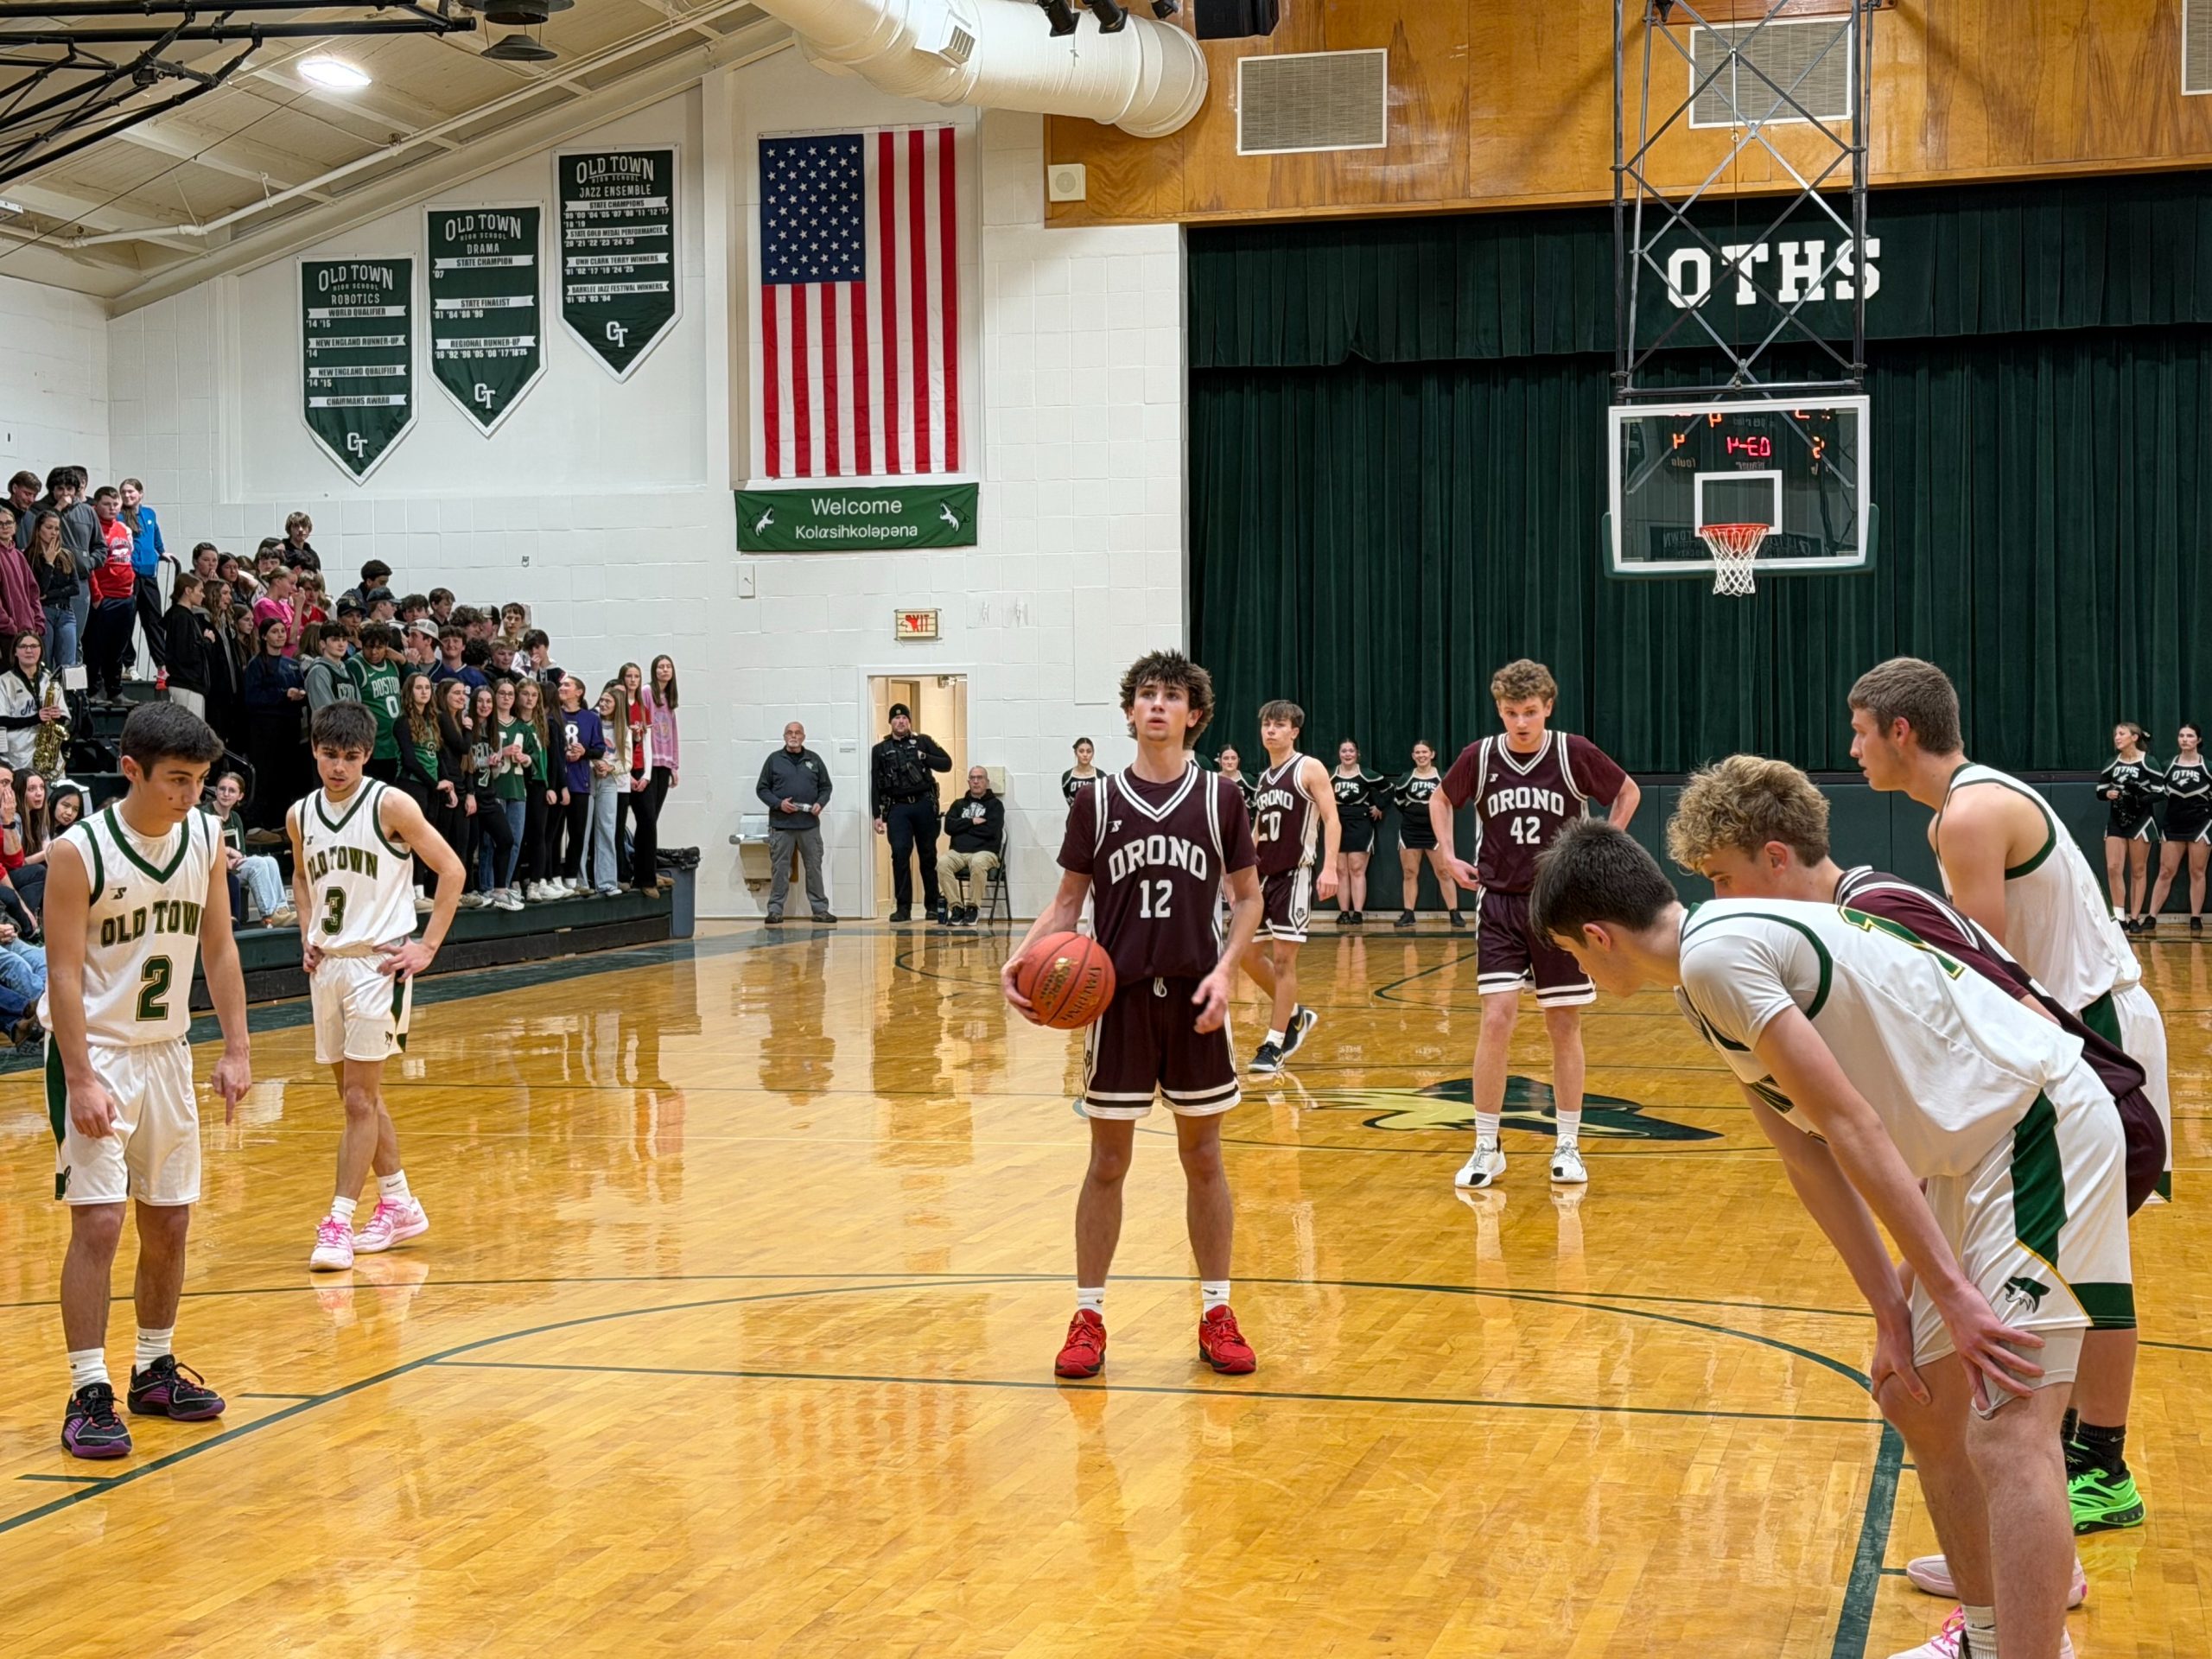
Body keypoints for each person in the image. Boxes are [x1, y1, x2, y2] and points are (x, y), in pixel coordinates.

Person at [1532, 817, 2126, 1659]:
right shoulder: (1703, 978)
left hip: (2036, 1124)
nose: (1580, 971)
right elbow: (1808, 1156)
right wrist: (1892, 1314)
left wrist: (1952, 1295)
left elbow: (1850, 1123)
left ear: (1597, 935)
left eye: (1574, 953)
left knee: (2007, 1418)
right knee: (1915, 1397)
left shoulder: (1716, 955)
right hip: (1967, 1153)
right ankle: (1990, 1641)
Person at [1850, 654, 2168, 1547]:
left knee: (2090, 1259)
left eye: (1860, 731)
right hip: (2077, 1030)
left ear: (1899, 730)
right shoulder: (1971, 805)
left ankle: (2098, 1467)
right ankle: (2082, 1451)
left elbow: (1975, 975)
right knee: (2074, 1253)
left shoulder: (1970, 814)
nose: (1853, 748)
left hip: (2091, 1032)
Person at [1001, 649, 1264, 1382]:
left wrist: (1224, 970)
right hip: (1115, 1004)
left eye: (1171, 696)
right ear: (1129, 712)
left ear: (1194, 715)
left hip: (1193, 1000)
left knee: (1204, 1158)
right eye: (1146, 695)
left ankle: (1217, 1311)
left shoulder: (1220, 799)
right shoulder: (1098, 799)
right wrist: (1018, 957)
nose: (1156, 706)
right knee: (1107, 1162)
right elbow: (1067, 901)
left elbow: (1248, 900)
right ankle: (1088, 1316)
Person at [46, 702, 251, 1459]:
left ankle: (154, 1368)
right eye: (176, 780)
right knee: (99, 1222)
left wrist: (236, 1047)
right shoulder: (79, 851)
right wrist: (80, 1077)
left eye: (200, 780)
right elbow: (63, 974)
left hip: (168, 1052)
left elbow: (221, 947)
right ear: (130, 769)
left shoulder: (204, 833)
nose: (191, 794)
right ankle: (88, 1389)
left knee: (169, 1220)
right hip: (95, 1052)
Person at [1437, 659, 1640, 1191]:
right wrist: (1448, 854)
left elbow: (1628, 792)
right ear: (1499, 710)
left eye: (1530, 712)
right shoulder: (1480, 757)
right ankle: (1487, 1144)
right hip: (1500, 903)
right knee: (1496, 1018)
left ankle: (1568, 1144)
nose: (1521, 722)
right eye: (1510, 713)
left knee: (1563, 1025)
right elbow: (1441, 798)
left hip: (1558, 906)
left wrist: (1602, 844)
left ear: (1548, 707)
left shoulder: (1572, 752)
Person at [292, 702, 462, 1271]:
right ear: (315, 749)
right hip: (330, 965)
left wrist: (428, 946)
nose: (338, 767)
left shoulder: (390, 803)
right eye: (329, 754)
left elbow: (452, 869)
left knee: (360, 1098)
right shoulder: (301, 814)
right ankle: (400, 1204)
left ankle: (338, 1220)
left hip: (379, 967)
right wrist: (307, 933)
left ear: (367, 756)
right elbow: (300, 874)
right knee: (355, 1099)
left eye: (350, 757)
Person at [1239, 700, 1339, 1075]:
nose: (1270, 730)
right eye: (1266, 724)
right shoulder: (1264, 778)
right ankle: (1295, 1015)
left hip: (1295, 875)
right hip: (1263, 877)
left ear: (1294, 731)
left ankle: (1274, 1044)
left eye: (1279, 725)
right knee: (1248, 955)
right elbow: (1258, 831)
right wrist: (1242, 875)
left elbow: (1332, 818)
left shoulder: (1308, 767)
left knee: (1283, 960)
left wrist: (1330, 867)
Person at [870, 702, 953, 924]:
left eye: (905, 718)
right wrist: (876, 815)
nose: (901, 721)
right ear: (890, 722)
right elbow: (875, 784)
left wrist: (924, 757)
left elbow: (947, 764)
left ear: (909, 721)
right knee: (899, 854)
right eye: (897, 718)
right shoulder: (879, 750)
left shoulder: (923, 741)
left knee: (928, 855)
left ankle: (933, 905)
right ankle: (903, 907)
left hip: (924, 805)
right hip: (898, 808)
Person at [758, 721, 836, 925]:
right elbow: (762, 789)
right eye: (789, 733)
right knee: (780, 870)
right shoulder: (774, 760)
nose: (793, 736)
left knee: (814, 868)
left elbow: (826, 787)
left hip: (809, 825)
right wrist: (778, 804)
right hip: (782, 826)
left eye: (797, 732)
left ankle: (820, 910)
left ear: (804, 736)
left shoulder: (814, 760)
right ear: (784, 737)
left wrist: (820, 803)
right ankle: (775, 911)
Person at [2145, 721, 2209, 932]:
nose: (2185, 739)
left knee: (2197, 871)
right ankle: (2152, 916)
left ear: (2198, 740)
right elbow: (2156, 790)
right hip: (2173, 823)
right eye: (2182, 735)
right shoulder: (2167, 765)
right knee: (2165, 871)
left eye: (2190, 736)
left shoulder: (2207, 766)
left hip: (2200, 824)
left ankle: (2196, 917)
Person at [2096, 723, 2162, 931]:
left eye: (2122, 734)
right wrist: (2108, 794)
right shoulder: (2111, 762)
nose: (2117, 737)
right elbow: (2100, 789)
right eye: (2115, 734)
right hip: (2117, 820)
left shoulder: (2148, 761)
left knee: (2138, 870)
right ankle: (2119, 916)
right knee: (2113, 867)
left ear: (2134, 737)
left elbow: (2160, 792)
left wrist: (2138, 798)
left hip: (2141, 821)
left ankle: (2135, 917)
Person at [1389, 741, 1461, 929]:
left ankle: (1454, 913)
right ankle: (1408, 914)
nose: (1421, 755)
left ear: (1432, 754)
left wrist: (1445, 831)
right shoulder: (1406, 778)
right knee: (1409, 872)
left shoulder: (1443, 778)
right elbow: (1399, 803)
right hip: (1411, 830)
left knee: (1444, 872)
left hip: (1435, 831)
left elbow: (1450, 803)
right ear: (1413, 756)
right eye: (1417, 753)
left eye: (1425, 752)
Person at [242, 620, 306, 830]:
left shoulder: (292, 665)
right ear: (263, 636)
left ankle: (280, 822)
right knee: (264, 776)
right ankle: (257, 824)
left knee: (285, 776)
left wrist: (301, 695)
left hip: (289, 727)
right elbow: (252, 697)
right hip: (264, 729)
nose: (279, 635)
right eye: (274, 632)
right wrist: (283, 695)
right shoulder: (256, 664)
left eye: (282, 631)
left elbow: (302, 690)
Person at [210, 771, 292, 926]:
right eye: (222, 789)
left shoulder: (235, 818)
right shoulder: (206, 813)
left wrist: (232, 855)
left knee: (269, 860)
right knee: (257, 864)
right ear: (215, 791)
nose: (226, 794)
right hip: (213, 868)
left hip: (232, 865)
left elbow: (241, 853)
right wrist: (227, 852)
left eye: (232, 790)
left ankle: (282, 910)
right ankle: (268, 914)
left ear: (240, 796)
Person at [547, 675, 601, 896]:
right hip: (558, 782)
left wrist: (583, 752)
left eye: (567, 685)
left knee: (577, 832)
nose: (562, 688)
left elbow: (599, 749)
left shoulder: (591, 718)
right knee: (554, 832)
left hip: (580, 783)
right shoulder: (552, 715)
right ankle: (553, 877)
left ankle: (571, 877)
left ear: (579, 692)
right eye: (561, 685)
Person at [81, 486, 137, 702]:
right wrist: (96, 596)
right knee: (96, 646)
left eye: (116, 504)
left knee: (118, 647)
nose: (112, 508)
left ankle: (115, 690)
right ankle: (94, 690)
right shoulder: (92, 529)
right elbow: (91, 566)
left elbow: (127, 558)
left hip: (126, 597)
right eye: (107, 504)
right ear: (96, 506)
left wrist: (131, 588)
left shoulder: (123, 528)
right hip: (104, 597)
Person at [938, 766, 1005, 927]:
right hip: (958, 852)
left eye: (980, 778)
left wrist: (963, 829)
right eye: (973, 778)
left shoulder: (995, 805)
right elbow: (949, 827)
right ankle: (956, 908)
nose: (976, 781)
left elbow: (991, 831)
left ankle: (973, 908)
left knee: (978, 862)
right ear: (968, 781)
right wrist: (972, 822)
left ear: (986, 782)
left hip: (985, 852)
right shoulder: (958, 804)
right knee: (942, 863)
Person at [613, 660, 659, 892]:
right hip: (622, 772)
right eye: (629, 676)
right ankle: (621, 876)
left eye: (636, 676)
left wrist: (647, 775)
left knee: (648, 823)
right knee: (618, 826)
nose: (633, 680)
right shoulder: (617, 706)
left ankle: (647, 878)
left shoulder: (643, 707)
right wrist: (627, 773)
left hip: (641, 770)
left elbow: (648, 743)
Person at [512, 677, 560, 901]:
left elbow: (552, 760)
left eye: (534, 695)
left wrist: (552, 787)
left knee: (539, 834)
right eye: (526, 694)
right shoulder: (513, 723)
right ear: (518, 696)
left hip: (539, 784)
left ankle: (535, 883)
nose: (530, 699)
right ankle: (514, 880)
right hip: (517, 782)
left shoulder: (546, 724)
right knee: (518, 834)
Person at [1329, 740, 1385, 927]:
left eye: (1351, 751)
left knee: (1356, 868)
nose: (1347, 754)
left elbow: (1389, 789)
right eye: (1344, 751)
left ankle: (1358, 912)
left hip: (1360, 821)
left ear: (1357, 753)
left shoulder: (1366, 774)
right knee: (1340, 870)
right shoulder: (1330, 775)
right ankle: (1344, 912)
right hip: (1337, 822)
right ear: (1339, 754)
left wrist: (1379, 806)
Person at [118, 480, 167, 674]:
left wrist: (162, 552)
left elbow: (155, 535)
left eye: (131, 492)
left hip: (149, 575)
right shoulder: (120, 516)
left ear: (140, 493)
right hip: (130, 576)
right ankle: (128, 665)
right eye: (123, 492)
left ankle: (162, 666)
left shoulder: (149, 514)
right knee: (127, 621)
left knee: (154, 620)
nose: (127, 496)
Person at [0, 629, 65, 773]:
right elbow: (2, 720)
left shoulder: (50, 680)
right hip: (17, 756)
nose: (29, 650)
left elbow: (65, 716)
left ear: (41, 650)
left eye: (34, 646)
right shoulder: (4, 681)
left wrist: (57, 716)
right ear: (15, 652)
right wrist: (35, 718)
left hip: (49, 755)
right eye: (23, 646)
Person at [588, 683, 626, 896]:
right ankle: (582, 882)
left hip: (610, 780)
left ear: (616, 706)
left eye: (608, 702)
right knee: (583, 832)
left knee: (607, 830)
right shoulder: (591, 720)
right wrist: (596, 763)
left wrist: (610, 767)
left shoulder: (623, 728)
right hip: (588, 777)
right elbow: (585, 747)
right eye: (601, 700)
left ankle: (607, 882)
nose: (603, 704)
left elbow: (626, 762)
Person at [353, 624, 404, 784]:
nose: (374, 652)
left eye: (379, 647)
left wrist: (403, 660)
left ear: (387, 647)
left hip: (395, 743)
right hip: (373, 745)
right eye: (369, 647)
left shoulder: (393, 663)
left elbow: (414, 682)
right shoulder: (355, 665)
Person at [29, 510, 79, 669]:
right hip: (44, 613)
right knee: (45, 661)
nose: (54, 532)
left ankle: (67, 693)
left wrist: (51, 594)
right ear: (39, 529)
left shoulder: (66, 555)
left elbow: (75, 588)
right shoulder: (29, 556)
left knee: (68, 663)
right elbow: (39, 590)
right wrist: (49, 564)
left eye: (57, 529)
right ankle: (45, 693)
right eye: (49, 528)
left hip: (66, 612)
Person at [162, 572, 214, 718]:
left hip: (189, 684)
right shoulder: (182, 617)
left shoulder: (182, 616)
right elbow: (186, 653)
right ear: (188, 590)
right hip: (187, 684)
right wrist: (207, 641)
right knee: (189, 734)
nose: (203, 595)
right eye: (200, 591)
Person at [645, 652, 679, 837]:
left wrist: (674, 766)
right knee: (648, 817)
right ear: (654, 670)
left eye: (668, 667)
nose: (665, 670)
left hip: (664, 764)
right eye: (661, 666)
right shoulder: (647, 692)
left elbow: (673, 734)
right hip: (649, 762)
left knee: (654, 815)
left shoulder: (670, 698)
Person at [1214, 745, 1256, 820]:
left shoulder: (1248, 780)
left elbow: (1257, 804)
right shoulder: (1212, 780)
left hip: (1244, 825)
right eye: (1226, 758)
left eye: (1233, 758)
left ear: (1238, 760)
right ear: (1220, 761)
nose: (1230, 762)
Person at [1061, 737, 1102, 803]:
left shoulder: (1101, 776)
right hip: (1075, 813)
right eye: (1081, 751)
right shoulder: (1067, 776)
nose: (1085, 755)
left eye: (1089, 751)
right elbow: (1070, 803)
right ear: (1075, 752)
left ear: (1093, 753)